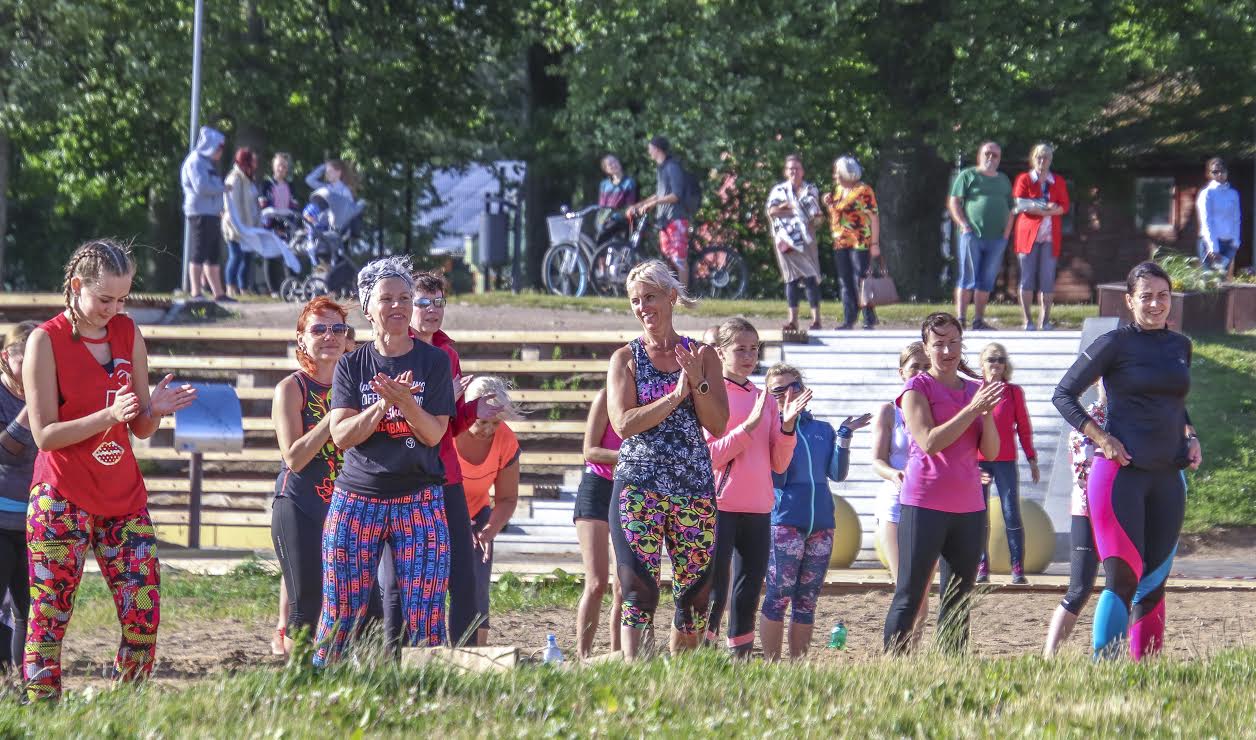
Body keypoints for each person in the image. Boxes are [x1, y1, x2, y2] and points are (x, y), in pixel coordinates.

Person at [22, 239, 197, 701]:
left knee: (144, 610)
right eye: (104, 299)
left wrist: (154, 409)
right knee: (50, 614)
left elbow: (139, 426)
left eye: (122, 299)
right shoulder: (46, 340)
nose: (113, 309)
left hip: (123, 497)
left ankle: (125, 706)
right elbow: (44, 435)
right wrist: (107, 417)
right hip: (61, 496)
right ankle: (42, 711)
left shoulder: (127, 332)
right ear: (77, 286)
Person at [1053, 261, 1200, 660]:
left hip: (1169, 477)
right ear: (1130, 301)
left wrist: (1192, 436)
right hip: (1120, 476)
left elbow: (1174, 403)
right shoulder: (1115, 343)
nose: (1156, 304)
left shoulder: (1179, 346)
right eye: (1147, 297)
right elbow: (1063, 394)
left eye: (1163, 296)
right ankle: (1106, 672)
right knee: (1122, 576)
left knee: (1154, 580)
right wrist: (1101, 436)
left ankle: (1145, 672)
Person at [318, 256, 456, 664]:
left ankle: (431, 688)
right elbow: (341, 436)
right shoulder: (351, 364)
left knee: (427, 608)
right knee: (341, 605)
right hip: (358, 497)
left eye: (404, 298)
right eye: (387, 299)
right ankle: (323, 680)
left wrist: (406, 404)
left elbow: (434, 433)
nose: (397, 306)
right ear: (367, 307)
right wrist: (381, 405)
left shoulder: (433, 362)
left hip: (419, 497)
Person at [606, 259, 728, 660]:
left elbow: (718, 421)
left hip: (693, 489)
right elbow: (624, 424)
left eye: (651, 297)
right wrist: (675, 397)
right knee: (638, 590)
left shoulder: (703, 354)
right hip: (639, 488)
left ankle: (681, 685)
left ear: (672, 297)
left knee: (694, 597)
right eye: (636, 301)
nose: (643, 308)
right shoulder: (624, 358)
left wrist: (698, 383)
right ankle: (637, 677)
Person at [376, 271, 495, 649]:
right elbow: (397, 419)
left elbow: (450, 426)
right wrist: (437, 398)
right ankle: (395, 656)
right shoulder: (393, 349)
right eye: (423, 303)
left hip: (447, 475)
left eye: (438, 303)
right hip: (406, 476)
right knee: (398, 577)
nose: (431, 311)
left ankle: (463, 654)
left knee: (464, 569)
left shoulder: (448, 352)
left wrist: (477, 407)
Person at [882, 312, 1002, 654]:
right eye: (938, 344)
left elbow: (990, 451)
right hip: (924, 502)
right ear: (926, 347)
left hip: (968, 507)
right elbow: (929, 441)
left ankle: (951, 667)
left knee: (959, 598)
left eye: (953, 343)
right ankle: (893, 668)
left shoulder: (975, 390)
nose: (947, 351)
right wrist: (971, 410)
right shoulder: (916, 387)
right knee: (910, 592)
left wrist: (987, 413)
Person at [703, 318, 806, 657]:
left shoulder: (766, 398)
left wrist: (788, 428)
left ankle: (740, 661)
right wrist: (746, 429)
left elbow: (778, 463)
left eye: (754, 348)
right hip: (721, 505)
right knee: (715, 591)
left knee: (747, 592)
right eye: (740, 349)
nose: (749, 356)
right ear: (720, 353)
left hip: (760, 507)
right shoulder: (710, 393)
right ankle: (703, 657)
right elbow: (709, 457)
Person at [758, 363, 868, 660]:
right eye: (778, 390)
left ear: (804, 389)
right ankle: (770, 664)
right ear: (768, 397)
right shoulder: (768, 429)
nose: (787, 394)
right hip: (784, 523)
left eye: (793, 386)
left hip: (821, 524)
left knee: (807, 601)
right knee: (778, 597)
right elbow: (777, 477)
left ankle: (798, 667)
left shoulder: (822, 430)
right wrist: (786, 426)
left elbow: (837, 472)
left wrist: (844, 435)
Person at [269, 297, 351, 656]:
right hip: (299, 504)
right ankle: (298, 683)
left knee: (358, 603)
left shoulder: (356, 387)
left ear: (349, 339)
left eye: (337, 329)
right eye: (318, 329)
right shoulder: (292, 388)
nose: (329, 336)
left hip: (346, 508)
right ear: (301, 339)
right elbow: (294, 457)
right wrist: (331, 420)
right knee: (307, 605)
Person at [454, 377, 523, 646]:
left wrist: (488, 530)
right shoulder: (448, 429)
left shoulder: (506, 440)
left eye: (495, 423)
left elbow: (506, 498)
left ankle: (478, 650)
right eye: (482, 422)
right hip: (439, 512)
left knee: (478, 586)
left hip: (478, 513)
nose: (487, 430)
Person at [976, 342, 1038, 585]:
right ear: (982, 363)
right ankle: (982, 565)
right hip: (979, 463)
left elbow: (1023, 427)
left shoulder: (1013, 392)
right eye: (991, 359)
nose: (996, 364)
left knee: (1011, 512)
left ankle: (1017, 566)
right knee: (980, 515)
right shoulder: (974, 391)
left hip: (1005, 461)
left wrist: (1031, 458)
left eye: (1001, 359)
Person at [573, 387, 623, 659]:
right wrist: (631, 456)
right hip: (598, 486)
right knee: (596, 582)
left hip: (629, 490)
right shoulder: (607, 396)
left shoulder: (653, 402)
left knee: (624, 585)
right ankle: (583, 656)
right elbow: (589, 450)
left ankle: (619, 654)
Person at [0, 321, 38, 670]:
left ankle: (26, 684)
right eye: (25, 360)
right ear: (5, 357)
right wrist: (33, 405)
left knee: (29, 608)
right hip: (1, 517)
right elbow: (6, 451)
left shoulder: (51, 394)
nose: (32, 369)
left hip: (36, 518)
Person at [948, 141, 1014, 330]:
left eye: (995, 155)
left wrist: (1007, 233)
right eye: (987, 153)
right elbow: (954, 202)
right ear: (979, 155)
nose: (991, 158)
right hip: (972, 235)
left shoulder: (1003, 180)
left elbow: (1011, 208)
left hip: (997, 239)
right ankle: (960, 320)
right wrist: (964, 225)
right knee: (967, 278)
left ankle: (978, 320)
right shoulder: (968, 176)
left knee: (986, 280)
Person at [1012, 143, 1070, 330]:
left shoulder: (1058, 181)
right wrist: (1046, 209)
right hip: (1028, 235)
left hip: (1050, 236)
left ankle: (1045, 320)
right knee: (1027, 277)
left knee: (1047, 277)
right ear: (1033, 158)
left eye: (1046, 157)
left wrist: (1040, 208)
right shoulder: (1025, 179)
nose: (1042, 161)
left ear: (1050, 160)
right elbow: (1021, 204)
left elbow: (1064, 206)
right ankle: (1027, 319)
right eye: (1039, 157)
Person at [767, 155, 825, 332]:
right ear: (786, 172)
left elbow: (815, 215)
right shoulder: (779, 190)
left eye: (797, 168)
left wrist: (789, 210)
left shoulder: (810, 189)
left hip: (807, 241)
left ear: (802, 171)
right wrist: (791, 206)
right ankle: (792, 320)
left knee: (810, 278)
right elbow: (771, 211)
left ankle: (816, 320)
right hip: (785, 241)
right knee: (790, 280)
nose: (794, 171)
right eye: (790, 168)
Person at [823, 156, 880, 330]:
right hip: (840, 241)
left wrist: (875, 243)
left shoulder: (863, 190)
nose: (835, 176)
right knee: (845, 280)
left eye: (838, 172)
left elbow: (874, 217)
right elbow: (836, 214)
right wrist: (828, 203)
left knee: (860, 279)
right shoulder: (838, 190)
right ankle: (849, 318)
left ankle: (869, 317)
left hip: (859, 241)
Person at [627, 137, 692, 289]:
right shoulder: (661, 169)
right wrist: (639, 205)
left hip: (676, 218)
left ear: (657, 149)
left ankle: (683, 296)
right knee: (669, 257)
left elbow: (676, 195)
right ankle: (672, 293)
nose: (648, 151)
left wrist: (654, 203)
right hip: (664, 220)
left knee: (679, 259)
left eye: (650, 148)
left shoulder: (672, 167)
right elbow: (659, 194)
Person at [180, 126, 230, 302]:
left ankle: (219, 293)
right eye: (219, 149)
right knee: (199, 252)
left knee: (213, 255)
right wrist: (223, 188)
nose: (220, 153)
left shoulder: (207, 163)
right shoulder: (195, 162)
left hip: (212, 213)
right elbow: (201, 187)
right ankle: (196, 292)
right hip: (200, 213)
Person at [223, 147, 261, 298]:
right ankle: (230, 288)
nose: (255, 164)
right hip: (235, 225)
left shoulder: (248, 178)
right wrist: (238, 225)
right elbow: (233, 204)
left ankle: (243, 288)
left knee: (247, 257)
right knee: (236, 256)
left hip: (248, 225)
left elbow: (252, 202)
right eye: (253, 161)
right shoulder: (235, 178)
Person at [259, 152, 298, 296]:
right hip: (271, 224)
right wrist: (273, 222)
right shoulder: (267, 184)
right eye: (279, 165)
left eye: (284, 166)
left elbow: (293, 205)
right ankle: (273, 289)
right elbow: (264, 204)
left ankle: (292, 286)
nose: (281, 169)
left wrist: (290, 220)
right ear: (274, 166)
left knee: (288, 255)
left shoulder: (290, 185)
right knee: (271, 256)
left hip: (286, 225)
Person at [1196, 157, 1242, 275]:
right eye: (1215, 172)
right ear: (1209, 174)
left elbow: (1236, 219)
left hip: (1228, 244)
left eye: (1222, 171)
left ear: (1227, 172)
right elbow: (1206, 221)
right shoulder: (1207, 193)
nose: (1219, 174)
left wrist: (1235, 242)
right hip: (1210, 243)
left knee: (1222, 283)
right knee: (1209, 283)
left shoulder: (1233, 194)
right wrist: (1213, 247)